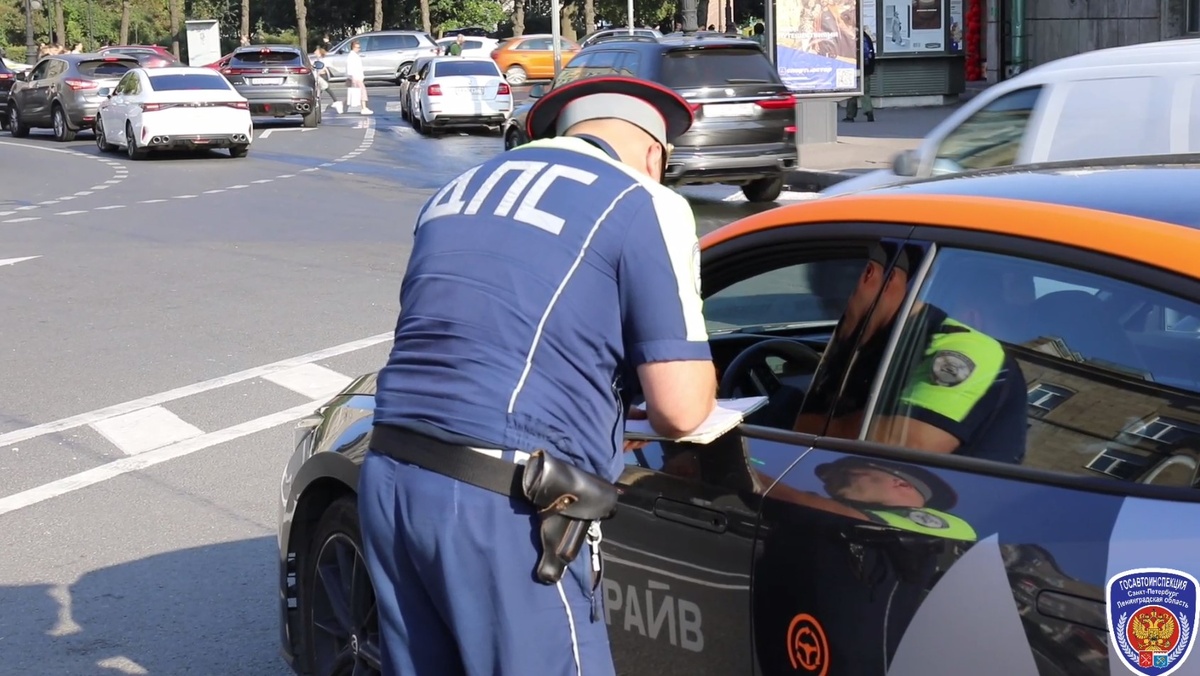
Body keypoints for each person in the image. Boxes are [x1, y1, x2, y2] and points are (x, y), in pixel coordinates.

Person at [358, 76, 719, 676]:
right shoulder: (642, 201)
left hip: (390, 475)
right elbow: (680, 409)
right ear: (655, 154)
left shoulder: (457, 188)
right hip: (501, 504)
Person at [795, 241, 1027, 463]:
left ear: (872, 276)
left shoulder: (968, 348)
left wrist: (793, 421)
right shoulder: (877, 341)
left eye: (836, 302)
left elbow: (906, 444)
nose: (836, 317)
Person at [844, 30, 875, 121]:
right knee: (865, 92)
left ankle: (850, 115)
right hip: (866, 70)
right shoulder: (867, 38)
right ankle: (869, 111)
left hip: (854, 69)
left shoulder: (852, 39)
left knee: (852, 93)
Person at [344, 39, 371, 115]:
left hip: (355, 77)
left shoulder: (354, 55)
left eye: (359, 47)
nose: (359, 49)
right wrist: (352, 77)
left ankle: (341, 105)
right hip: (355, 77)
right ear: (353, 47)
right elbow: (350, 67)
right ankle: (364, 108)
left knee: (353, 93)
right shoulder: (352, 56)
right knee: (362, 92)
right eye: (357, 47)